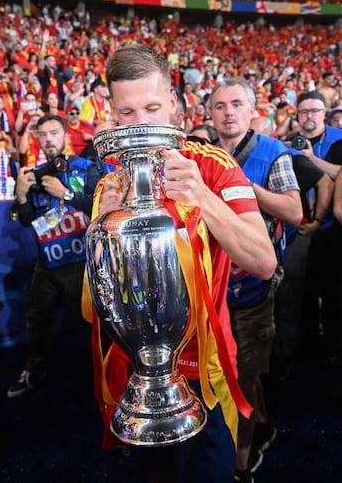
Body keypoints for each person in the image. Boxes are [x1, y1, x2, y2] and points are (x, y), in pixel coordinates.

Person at [81, 44, 277, 483]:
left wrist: (203, 198)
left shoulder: (210, 164)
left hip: (205, 370)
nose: (142, 123)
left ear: (173, 103)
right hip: (140, 372)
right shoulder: (111, 183)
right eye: (127, 113)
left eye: (152, 106)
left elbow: (263, 261)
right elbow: (95, 304)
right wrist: (98, 230)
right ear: (112, 113)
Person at [208, 77, 303, 482]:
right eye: (219, 106)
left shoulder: (272, 152)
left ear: (252, 112)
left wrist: (245, 188)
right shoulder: (202, 156)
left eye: (235, 105)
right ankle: (260, 421)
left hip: (252, 286)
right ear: (210, 116)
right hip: (213, 284)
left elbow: (295, 212)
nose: (228, 112)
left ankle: (242, 461)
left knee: (241, 377)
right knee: (230, 371)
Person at [7, 114, 100, 398]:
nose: (48, 138)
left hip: (81, 263)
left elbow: (100, 208)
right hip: (46, 263)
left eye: (54, 132)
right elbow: (25, 220)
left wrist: (67, 194)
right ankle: (35, 372)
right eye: (43, 134)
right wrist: (21, 196)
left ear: (65, 135)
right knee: (36, 318)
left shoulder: (86, 169)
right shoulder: (32, 175)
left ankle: (106, 381)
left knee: (94, 326)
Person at [294, 90, 342, 357]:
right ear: (298, 115)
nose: (309, 116)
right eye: (304, 111)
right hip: (298, 228)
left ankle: (333, 346)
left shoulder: (339, 140)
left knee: (331, 289)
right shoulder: (287, 143)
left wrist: (311, 158)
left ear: (325, 114)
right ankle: (308, 343)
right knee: (304, 290)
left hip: (331, 229)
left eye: (315, 111)